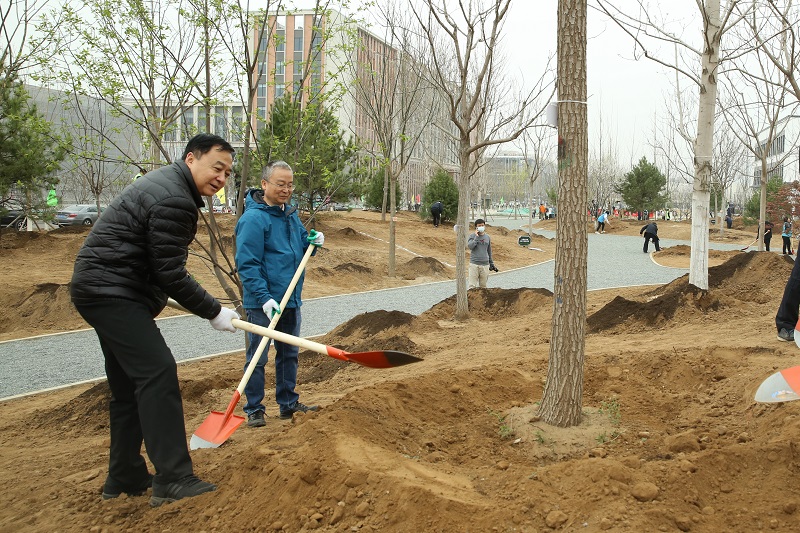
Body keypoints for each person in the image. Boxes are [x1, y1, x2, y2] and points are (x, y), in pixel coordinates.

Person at [70, 133, 240, 507]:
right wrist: (214, 311)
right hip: (112, 292)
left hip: (104, 288)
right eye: (217, 167)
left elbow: (157, 265)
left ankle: (125, 474)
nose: (222, 178)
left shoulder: (168, 185)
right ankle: (175, 478)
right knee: (157, 371)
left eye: (228, 173)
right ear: (191, 158)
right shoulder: (176, 200)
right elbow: (170, 273)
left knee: (130, 384)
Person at [235, 160, 324, 427]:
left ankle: (288, 404)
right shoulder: (253, 219)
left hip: (290, 298)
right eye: (280, 184)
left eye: (289, 184)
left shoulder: (289, 215)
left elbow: (299, 247)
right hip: (264, 302)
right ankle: (254, 408)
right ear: (264, 185)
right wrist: (263, 298)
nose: (286, 190)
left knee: (288, 354)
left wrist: (313, 242)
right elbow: (248, 264)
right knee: (258, 356)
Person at [467, 218, 497, 288]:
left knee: (483, 286)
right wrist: (476, 237)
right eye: (479, 226)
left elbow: (489, 251)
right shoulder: (472, 236)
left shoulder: (487, 237)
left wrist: (491, 263)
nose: (481, 227)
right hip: (474, 264)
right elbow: (470, 246)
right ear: (476, 227)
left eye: (482, 225)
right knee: (472, 286)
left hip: (485, 265)